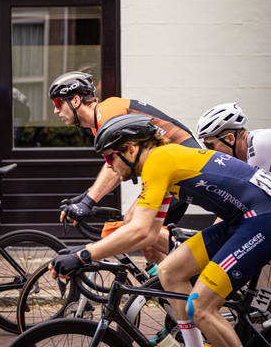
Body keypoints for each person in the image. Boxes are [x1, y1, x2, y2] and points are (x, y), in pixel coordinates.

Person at [49, 114, 271, 347]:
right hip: (242, 218)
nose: (109, 165)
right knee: (171, 271)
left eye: (110, 157)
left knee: (201, 307)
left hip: (263, 219)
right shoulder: (162, 164)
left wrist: (83, 255)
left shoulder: (159, 160)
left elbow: (138, 231)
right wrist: (85, 252)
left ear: (131, 149)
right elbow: (149, 234)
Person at [49, 71, 200, 263]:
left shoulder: (108, 111)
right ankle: (163, 284)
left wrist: (87, 202)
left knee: (134, 223)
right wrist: (86, 198)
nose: (56, 111)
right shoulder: (99, 123)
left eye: (57, 103)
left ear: (76, 100)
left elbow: (114, 169)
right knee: (147, 242)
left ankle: (200, 255)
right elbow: (115, 167)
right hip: (168, 168)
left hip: (180, 164)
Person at [195, 102, 271, 327]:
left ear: (229, 138)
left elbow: (255, 201)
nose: (210, 152)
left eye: (211, 145)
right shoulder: (247, 149)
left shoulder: (259, 145)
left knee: (270, 220)